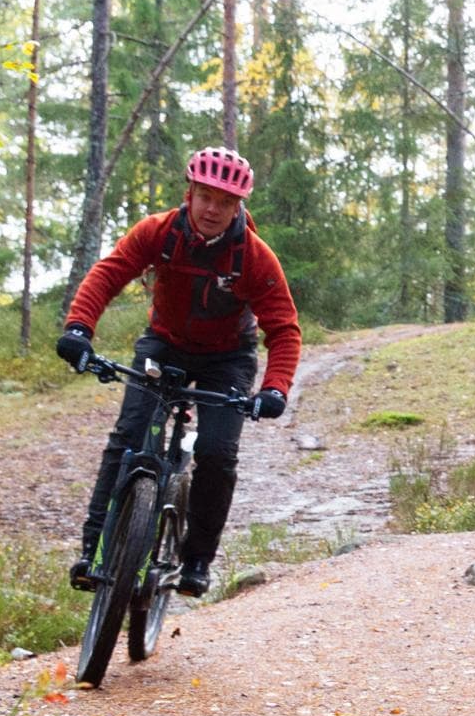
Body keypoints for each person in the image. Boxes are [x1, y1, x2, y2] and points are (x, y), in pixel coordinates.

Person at [57, 145, 301, 597]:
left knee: (216, 452)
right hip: (165, 343)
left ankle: (196, 560)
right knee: (129, 436)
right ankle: (94, 550)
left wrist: (275, 388)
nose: (212, 209)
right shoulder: (158, 232)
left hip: (227, 356)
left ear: (238, 207)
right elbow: (108, 275)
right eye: (205, 196)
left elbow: (283, 329)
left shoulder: (254, 257)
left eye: (225, 202)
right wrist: (78, 328)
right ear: (189, 193)